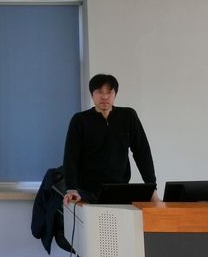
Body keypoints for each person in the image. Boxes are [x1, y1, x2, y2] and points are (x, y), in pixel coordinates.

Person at [62, 74, 157, 205]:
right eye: (99, 92)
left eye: (109, 92)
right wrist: (71, 189)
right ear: (92, 95)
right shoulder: (80, 120)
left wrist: (152, 187)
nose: (105, 97)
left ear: (115, 94)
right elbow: (71, 157)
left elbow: (142, 152)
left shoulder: (128, 116)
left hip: (119, 188)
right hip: (87, 191)